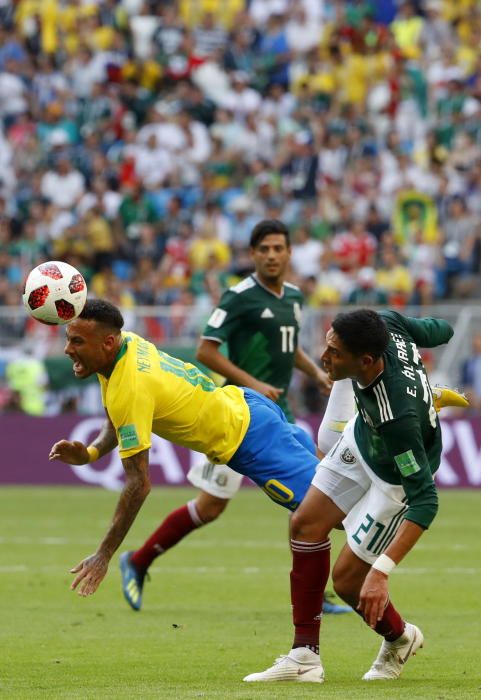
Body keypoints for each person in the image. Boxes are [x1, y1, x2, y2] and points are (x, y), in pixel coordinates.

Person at [118, 218, 350, 614]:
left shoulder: (293, 297)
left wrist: (315, 373)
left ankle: (316, 592)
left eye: (279, 248)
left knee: (312, 497)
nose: (272, 255)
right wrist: (254, 383)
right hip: (235, 415)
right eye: (264, 249)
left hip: (280, 414)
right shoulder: (239, 296)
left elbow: (289, 346)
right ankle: (137, 560)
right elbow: (207, 350)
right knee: (210, 507)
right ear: (252, 254)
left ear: (290, 252)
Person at [48, 297, 331, 599]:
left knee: (333, 512)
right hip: (245, 403)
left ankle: (369, 578)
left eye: (77, 341)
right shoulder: (125, 345)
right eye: (68, 339)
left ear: (106, 342)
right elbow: (115, 417)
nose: (67, 350)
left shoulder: (130, 387)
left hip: (252, 439)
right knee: (332, 493)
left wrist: (103, 554)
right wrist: (90, 454)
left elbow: (138, 484)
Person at [243, 308, 455, 684]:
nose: (323, 357)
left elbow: (426, 500)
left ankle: (400, 637)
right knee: (305, 524)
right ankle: (304, 656)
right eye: (328, 344)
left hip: (396, 478)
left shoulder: (399, 419)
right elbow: (443, 329)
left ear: (367, 360)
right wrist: (424, 381)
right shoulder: (385, 322)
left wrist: (382, 572)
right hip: (362, 440)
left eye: (335, 354)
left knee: (347, 584)